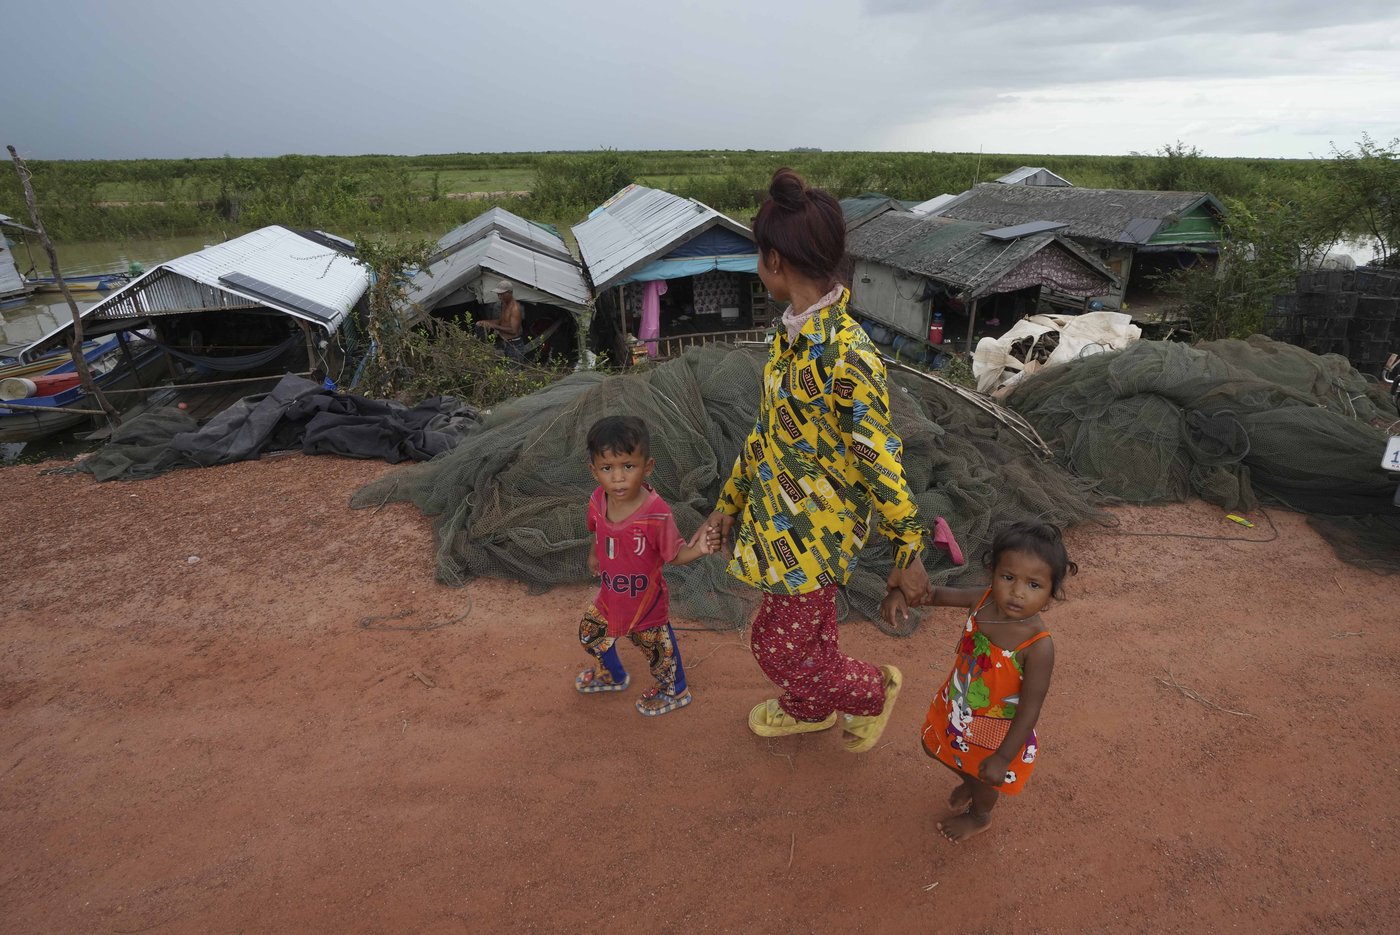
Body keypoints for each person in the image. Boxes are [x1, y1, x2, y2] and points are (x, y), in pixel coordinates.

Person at [697, 167, 935, 751]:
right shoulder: (790, 337)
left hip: (816, 534)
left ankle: (872, 690)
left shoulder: (848, 356)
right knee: (811, 636)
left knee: (775, 646)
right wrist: (729, 503)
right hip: (778, 519)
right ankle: (809, 708)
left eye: (758, 255)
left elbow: (880, 458)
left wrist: (908, 550)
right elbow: (765, 433)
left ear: (774, 260)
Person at [882, 521, 1076, 843]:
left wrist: (1003, 757)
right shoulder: (982, 600)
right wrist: (901, 593)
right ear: (992, 572)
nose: (1017, 592)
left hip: (998, 732)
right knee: (932, 747)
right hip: (958, 706)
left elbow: (1030, 710)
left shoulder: (1039, 646)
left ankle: (980, 815)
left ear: (1050, 594)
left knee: (986, 778)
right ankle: (970, 782)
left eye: (1034, 585)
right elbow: (933, 594)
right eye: (1008, 577)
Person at [577, 415, 716, 716]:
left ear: (647, 467)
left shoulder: (656, 514)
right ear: (594, 471)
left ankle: (675, 690)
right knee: (590, 636)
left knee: (658, 653)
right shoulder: (597, 500)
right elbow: (596, 530)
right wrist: (594, 555)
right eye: (607, 468)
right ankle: (613, 675)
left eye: (628, 466)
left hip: (645, 605)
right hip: (610, 597)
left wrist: (699, 549)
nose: (618, 478)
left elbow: (674, 555)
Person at [476, 281, 527, 360]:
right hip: (505, 343)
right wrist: (486, 322)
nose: (499, 297)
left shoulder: (515, 308)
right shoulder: (502, 305)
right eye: (498, 294)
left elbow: (513, 330)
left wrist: (494, 326)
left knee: (513, 367)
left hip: (515, 345)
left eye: (501, 294)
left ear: (509, 293)